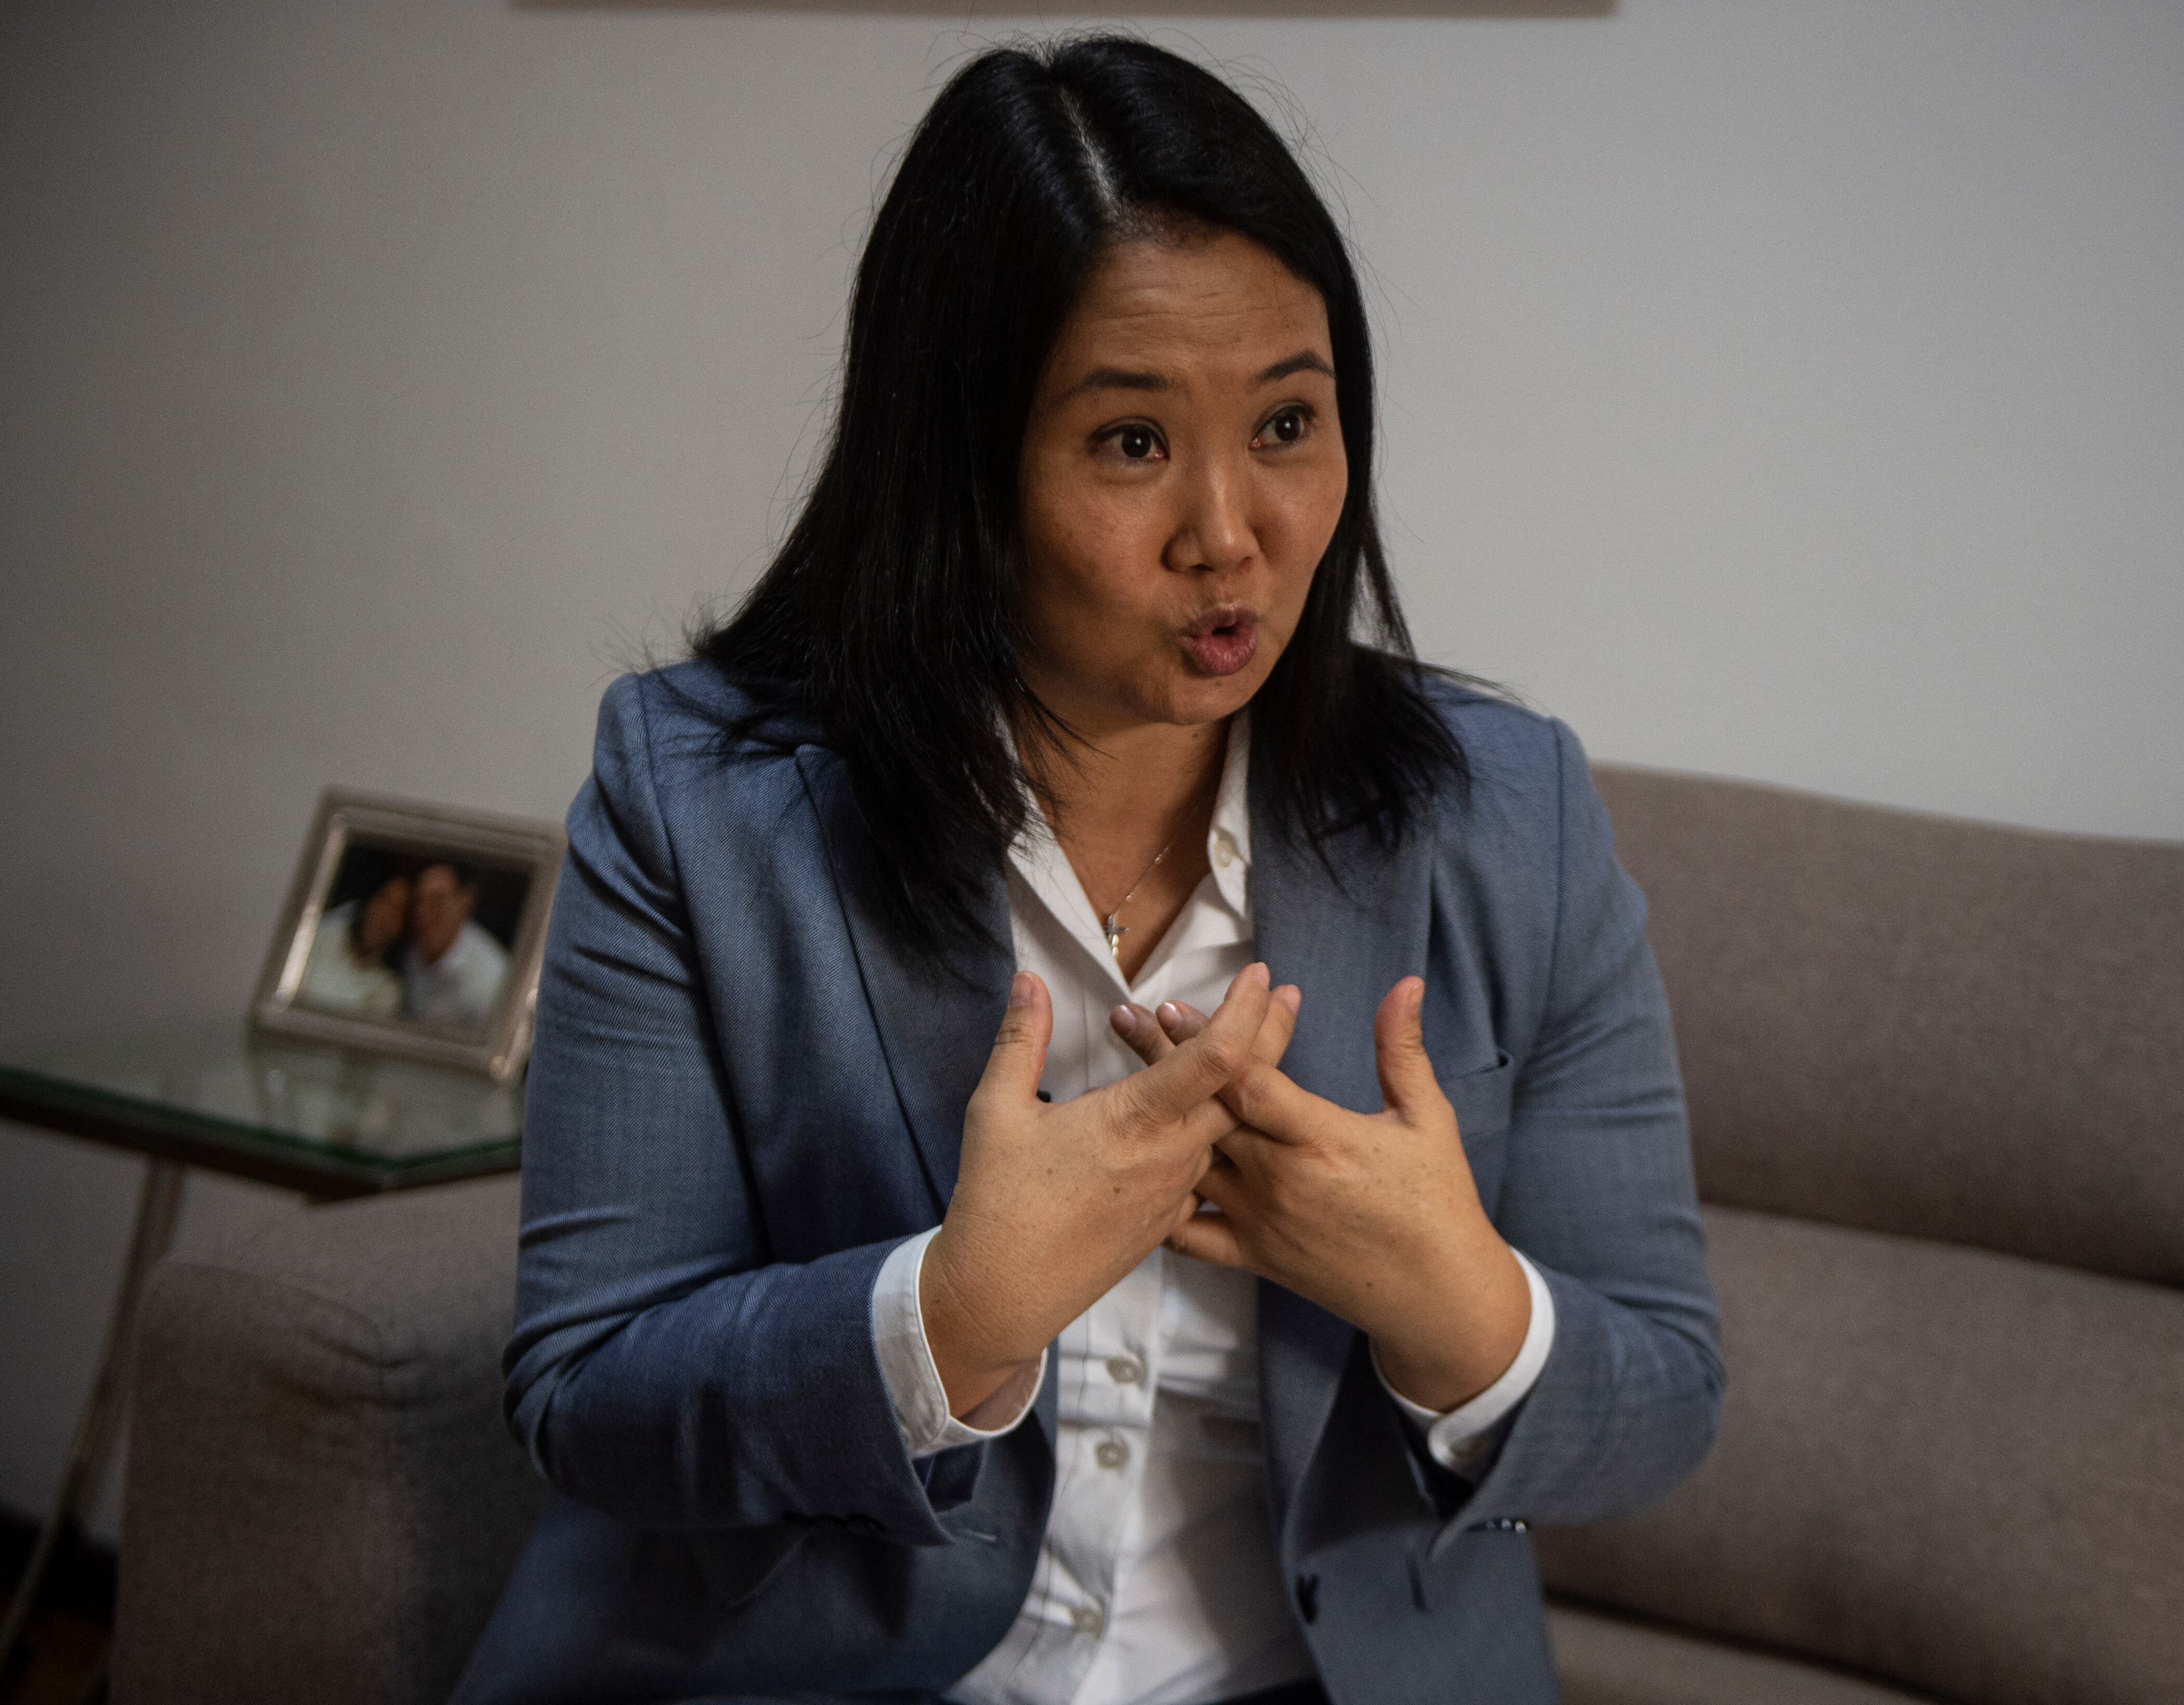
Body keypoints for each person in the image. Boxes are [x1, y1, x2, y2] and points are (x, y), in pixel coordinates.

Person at [454, 37, 1720, 1705]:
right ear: (961, 468)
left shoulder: (1509, 816)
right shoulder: (696, 803)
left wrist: (1458, 1301)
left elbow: (1665, 1394)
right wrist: (943, 1313)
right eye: (1131, 445)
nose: (1232, 531)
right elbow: (589, 1390)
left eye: (1287, 422)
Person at [402, 860, 510, 1030]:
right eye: (418, 902)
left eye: (437, 901)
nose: (422, 915)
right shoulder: (414, 949)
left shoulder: (491, 982)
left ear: (466, 900)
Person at [296, 869, 410, 1021]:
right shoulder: (326, 933)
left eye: (397, 911)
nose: (384, 915)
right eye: (383, 900)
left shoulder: (388, 990)